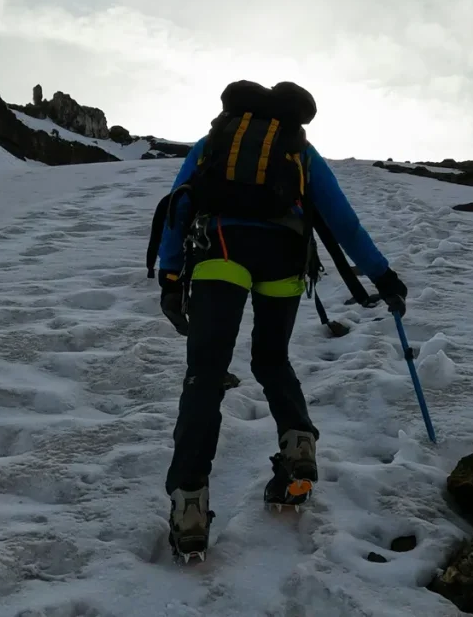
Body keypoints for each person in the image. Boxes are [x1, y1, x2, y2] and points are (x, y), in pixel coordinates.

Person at [153, 80, 408, 560]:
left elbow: (178, 205)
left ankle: (189, 504)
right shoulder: (300, 152)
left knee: (205, 372)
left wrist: (170, 277)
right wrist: (383, 276)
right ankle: (298, 449)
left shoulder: (213, 143)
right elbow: (343, 221)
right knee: (271, 360)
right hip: (285, 257)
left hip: (219, 253)